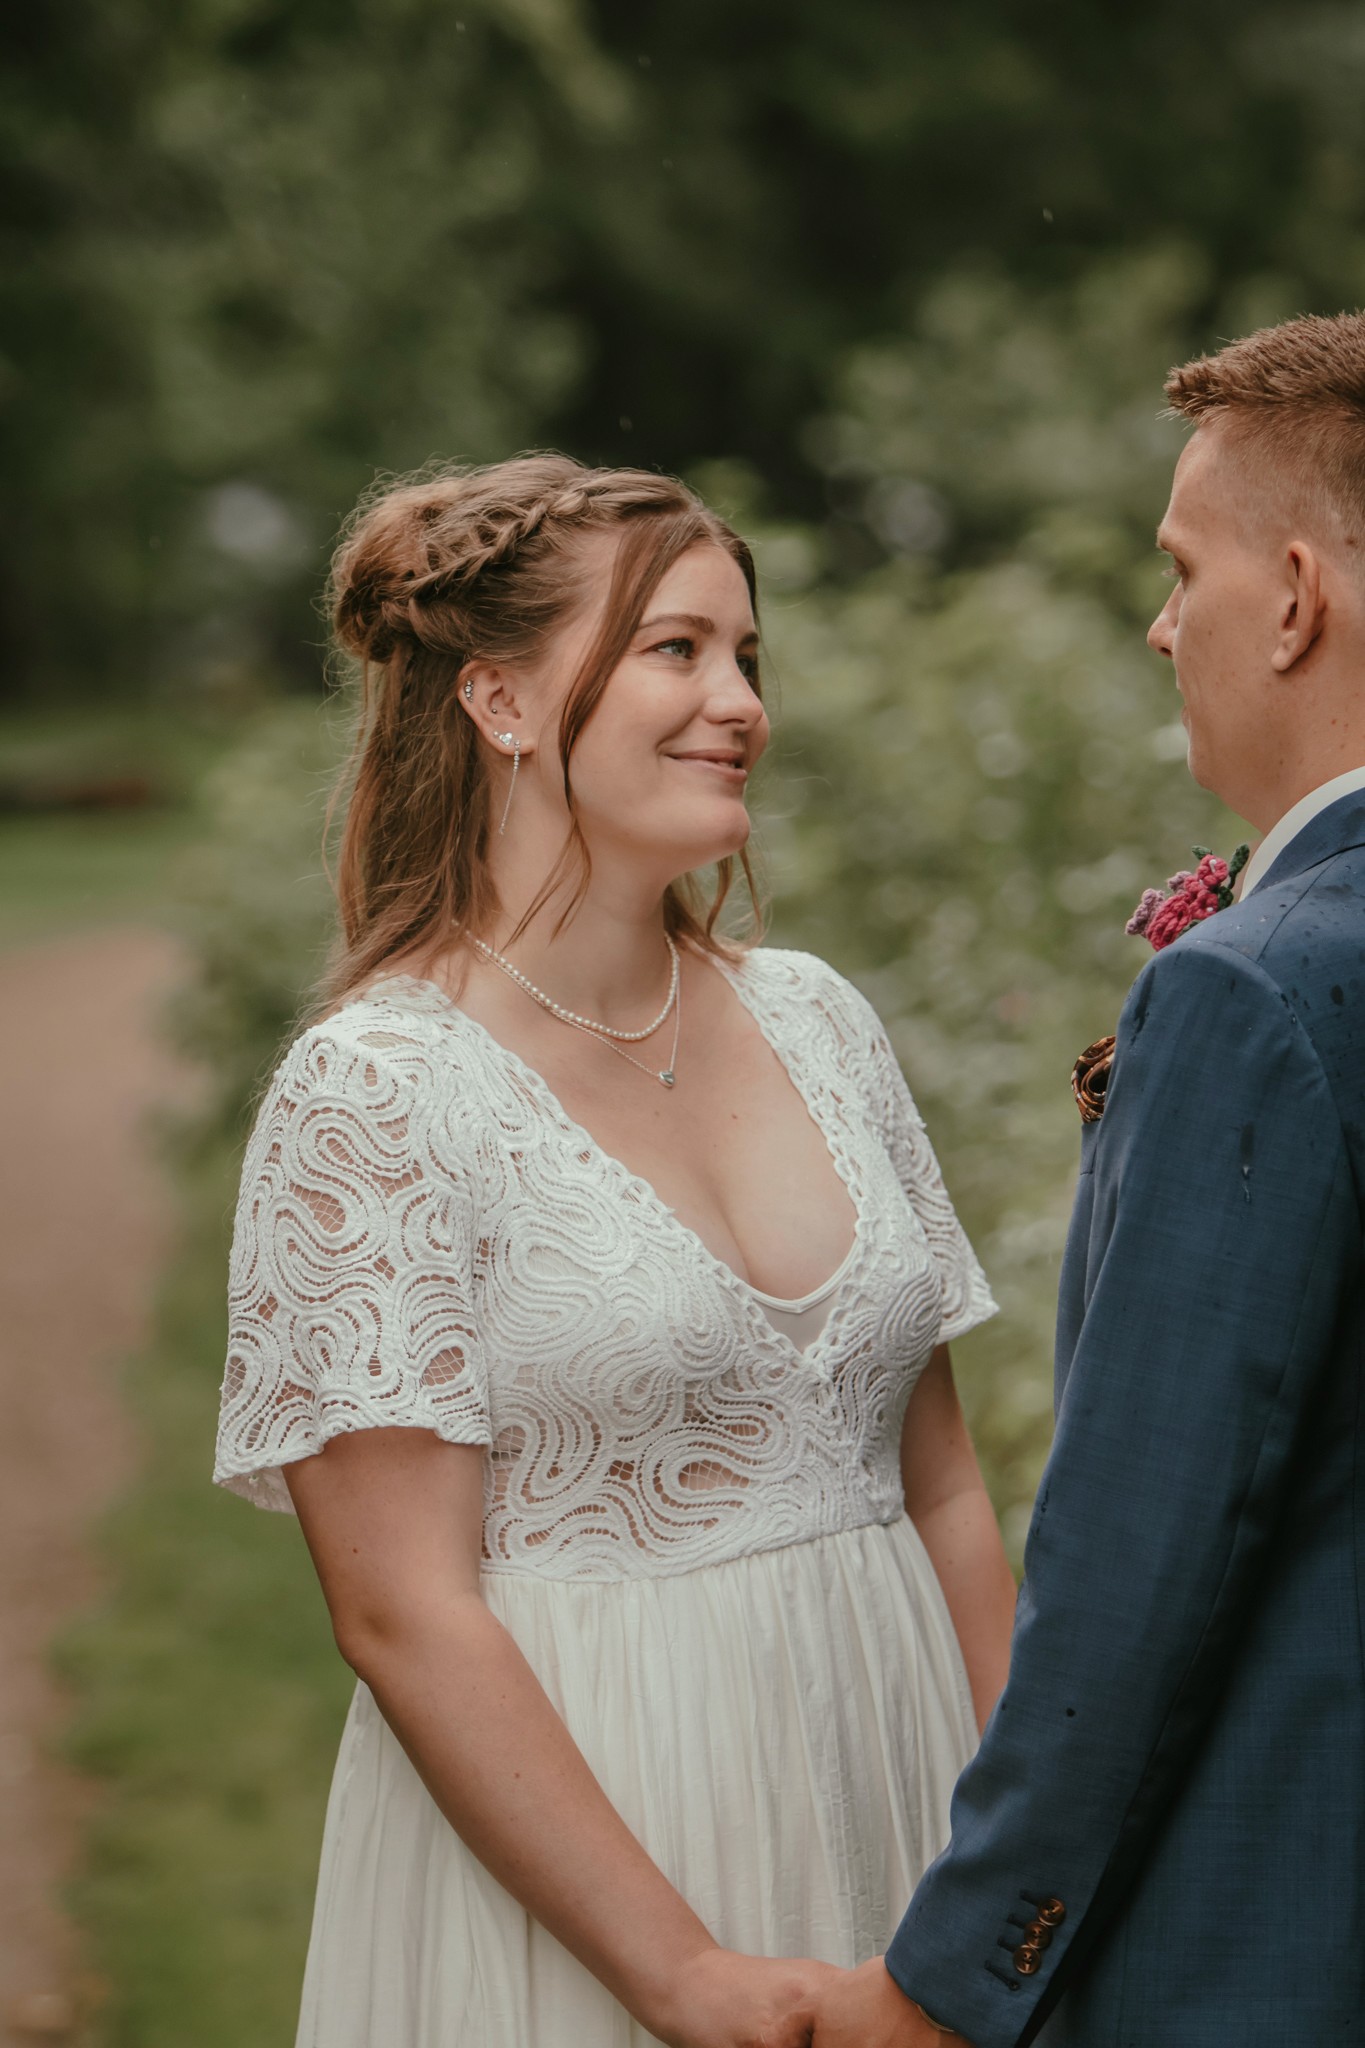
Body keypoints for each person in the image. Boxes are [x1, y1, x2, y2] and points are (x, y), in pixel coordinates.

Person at [212, 454, 1017, 2048]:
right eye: (676, 649)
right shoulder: (375, 1092)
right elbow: (403, 1614)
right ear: (501, 702)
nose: (739, 704)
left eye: (747, 656)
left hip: (910, 1784)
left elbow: (938, 1483)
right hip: (609, 1855)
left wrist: (1023, 1861)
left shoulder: (819, 1020)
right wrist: (681, 1975)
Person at [811, 310, 1365, 2047]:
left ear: (1295, 597)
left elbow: (1141, 1561)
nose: (1158, 623)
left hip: (1275, 1936)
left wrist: (951, 1980)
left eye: (1182, 569)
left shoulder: (1255, 992)